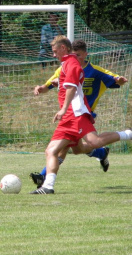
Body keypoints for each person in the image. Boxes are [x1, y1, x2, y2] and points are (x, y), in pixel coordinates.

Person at [30, 35, 132, 194]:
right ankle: (47, 186)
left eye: (55, 51)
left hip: (76, 113)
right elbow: (64, 84)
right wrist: (50, 86)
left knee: (94, 141)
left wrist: (63, 109)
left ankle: (128, 134)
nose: (53, 54)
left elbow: (71, 88)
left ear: (63, 48)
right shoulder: (66, 64)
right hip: (69, 116)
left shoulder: (72, 64)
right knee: (56, 150)